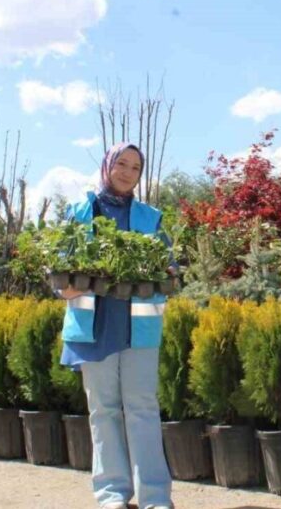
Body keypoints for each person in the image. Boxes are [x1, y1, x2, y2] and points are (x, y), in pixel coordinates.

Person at [58, 142, 175, 509]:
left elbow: (168, 272)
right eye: (121, 163)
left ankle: (155, 498)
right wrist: (74, 282)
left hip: (138, 328)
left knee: (142, 408)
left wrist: (168, 274)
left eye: (135, 167)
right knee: (104, 411)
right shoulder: (79, 213)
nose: (127, 172)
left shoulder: (150, 218)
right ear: (107, 165)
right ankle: (111, 495)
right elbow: (62, 282)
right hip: (94, 327)